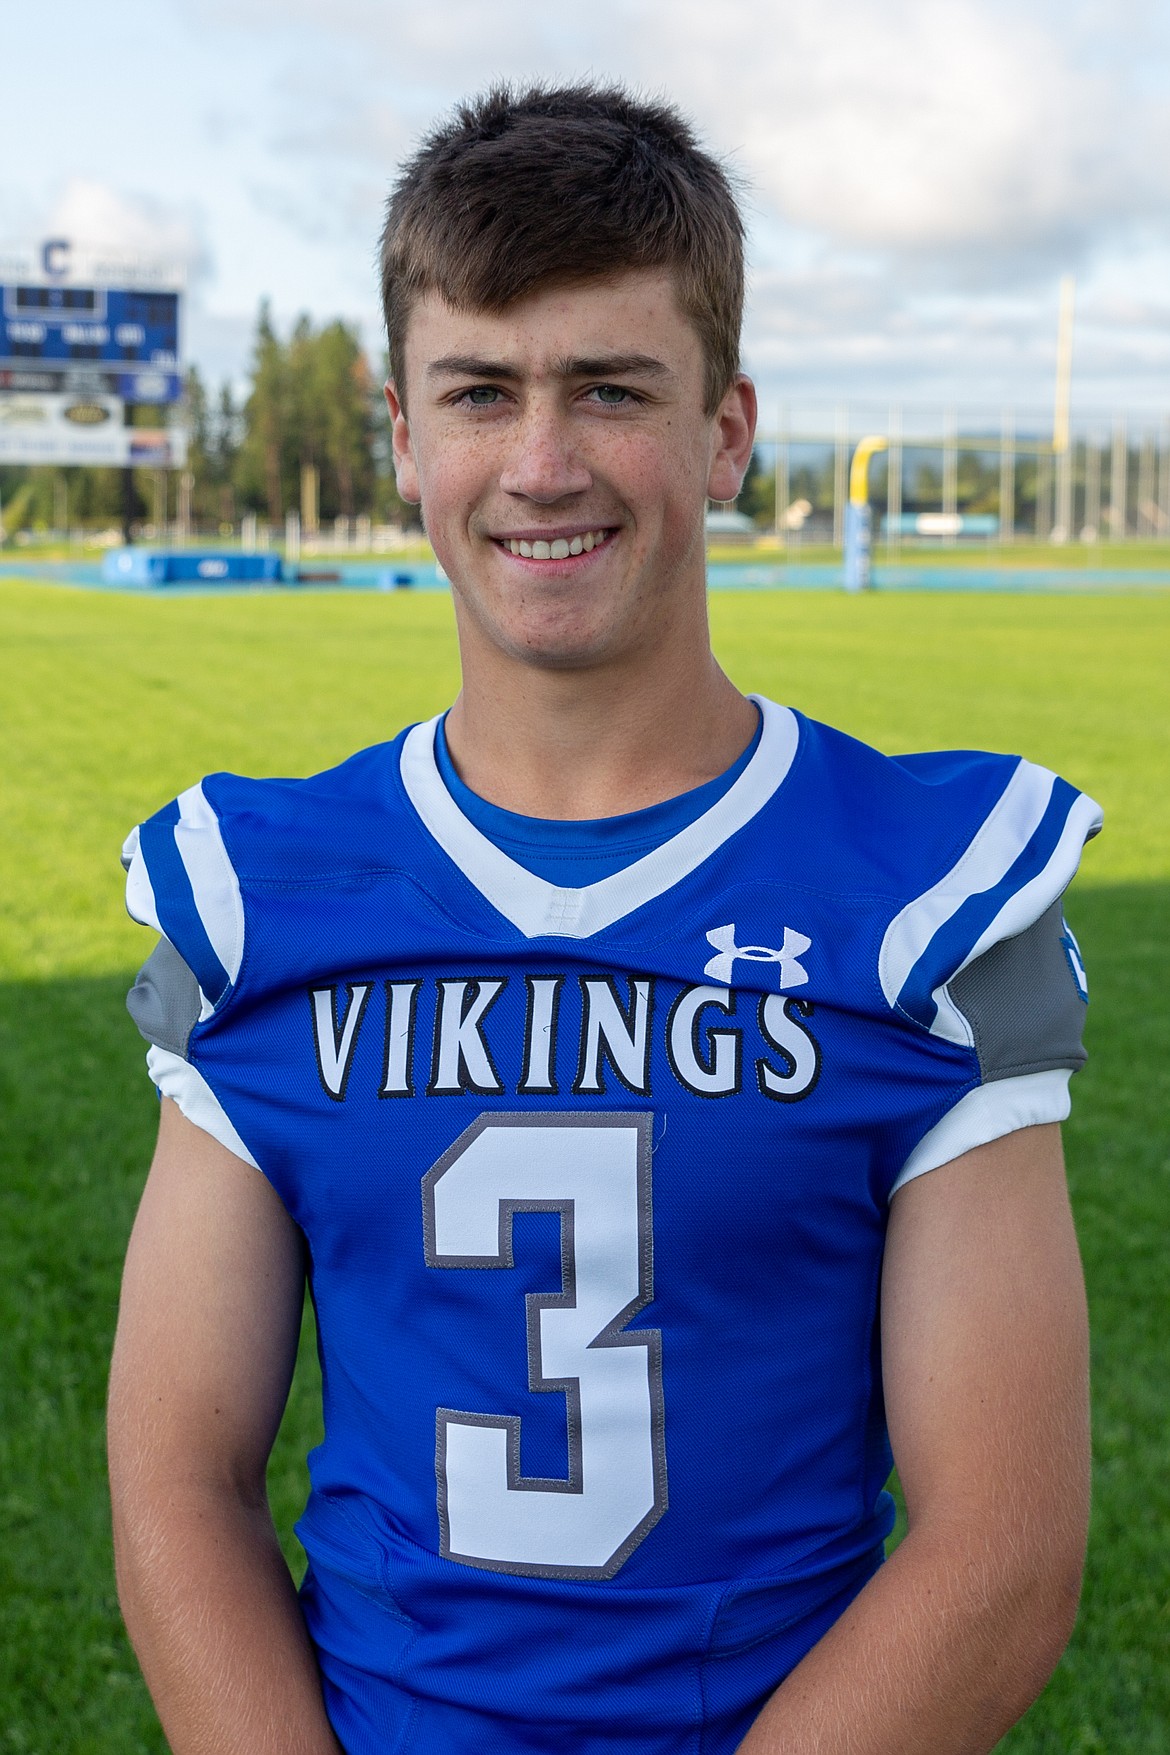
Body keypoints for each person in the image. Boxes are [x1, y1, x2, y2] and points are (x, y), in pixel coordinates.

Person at [108, 84, 1098, 1755]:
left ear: (725, 431)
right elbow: (174, 1475)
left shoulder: (917, 894)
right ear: (405, 437)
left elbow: (1002, 1545)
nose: (541, 464)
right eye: (480, 392)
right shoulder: (263, 893)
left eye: (610, 389)